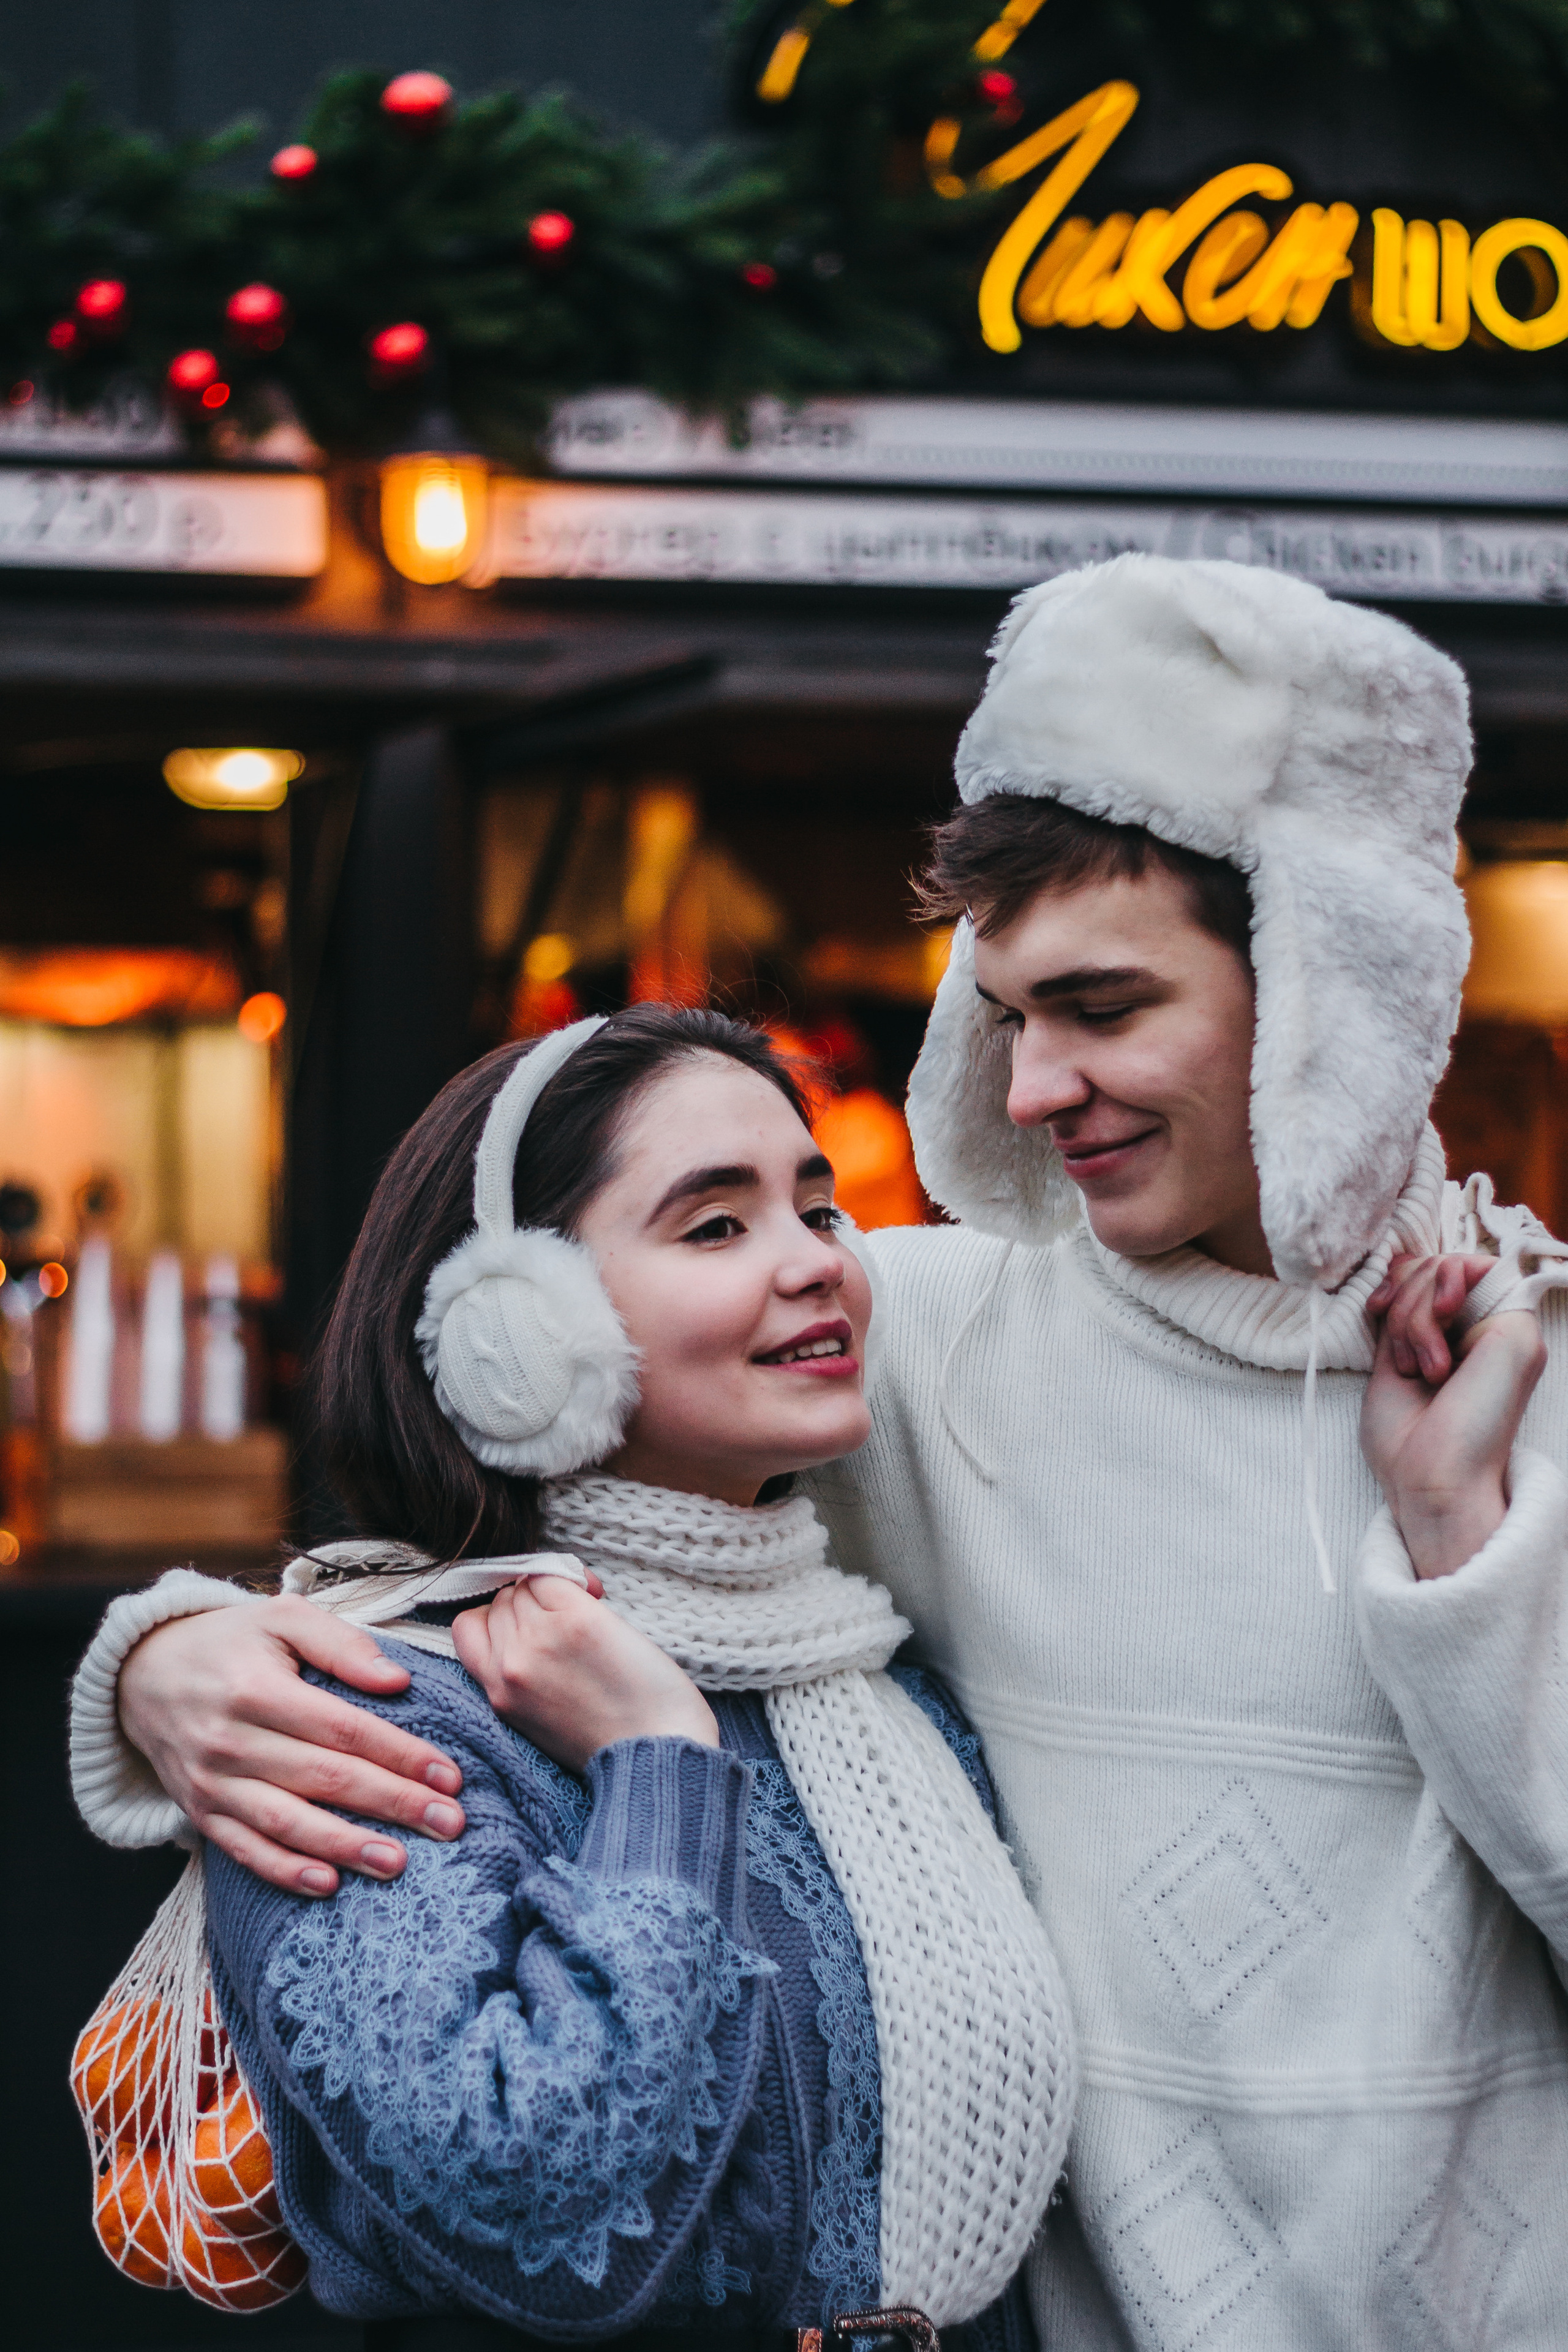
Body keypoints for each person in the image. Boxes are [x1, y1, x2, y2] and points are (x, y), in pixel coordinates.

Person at [73, 557, 1568, 2346]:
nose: (1031, 1094)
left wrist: (1466, 1549)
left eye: (1105, 1008)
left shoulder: (1513, 1370)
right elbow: (565, 1515)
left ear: (1326, 991)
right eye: (1009, 1020)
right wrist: (172, 1653)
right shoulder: (923, 1333)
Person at [71, 1006, 1073, 2346]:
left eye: (815, 1207)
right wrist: (655, 1770)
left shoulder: (882, 1692)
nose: (816, 1264)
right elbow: (532, 2209)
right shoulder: (366, 1717)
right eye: (715, 1225)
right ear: (515, 1331)